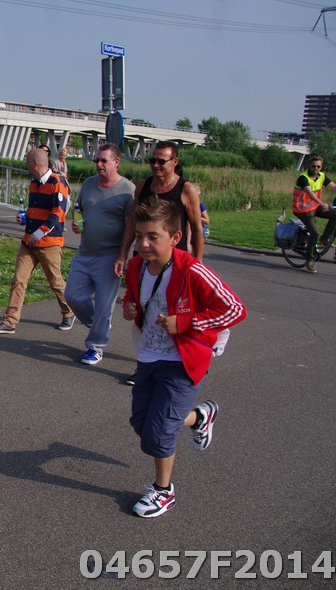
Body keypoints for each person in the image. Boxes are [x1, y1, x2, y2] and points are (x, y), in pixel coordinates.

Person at [121, 195, 246, 518]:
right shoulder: (136, 266)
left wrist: (186, 322)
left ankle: (163, 492)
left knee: (160, 432)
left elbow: (235, 309)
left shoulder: (193, 271)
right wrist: (130, 307)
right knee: (141, 424)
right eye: (139, 236)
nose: (143, 244)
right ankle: (199, 417)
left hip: (184, 361)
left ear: (175, 237)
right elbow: (134, 296)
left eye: (153, 237)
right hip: (149, 357)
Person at [0, 147, 74, 334]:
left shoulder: (58, 183)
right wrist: (26, 217)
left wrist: (40, 233)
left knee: (55, 282)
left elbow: (58, 213)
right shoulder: (34, 183)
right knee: (18, 280)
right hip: (28, 242)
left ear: (35, 164)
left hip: (49, 243)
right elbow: (34, 209)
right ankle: (10, 321)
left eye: (27, 163)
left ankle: (69, 312)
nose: (25, 166)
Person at [66, 143, 135, 366]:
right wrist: (77, 223)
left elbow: (130, 227)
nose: (99, 164)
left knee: (104, 306)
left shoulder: (128, 190)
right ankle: (99, 325)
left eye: (104, 160)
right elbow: (78, 209)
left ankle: (95, 346)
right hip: (85, 253)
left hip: (110, 256)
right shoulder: (89, 184)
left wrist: (122, 256)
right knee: (72, 296)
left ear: (117, 162)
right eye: (97, 160)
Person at [116, 141, 204, 277]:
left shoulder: (186, 189)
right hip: (144, 256)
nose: (156, 165)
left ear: (175, 162)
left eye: (161, 161)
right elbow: (133, 222)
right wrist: (123, 254)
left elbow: (197, 228)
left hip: (174, 258)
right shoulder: (143, 186)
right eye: (153, 161)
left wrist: (197, 263)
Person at [292, 156, 336, 273]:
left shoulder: (322, 176)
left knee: (335, 215)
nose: (316, 168)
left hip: (314, 206)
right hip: (302, 209)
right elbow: (309, 192)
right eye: (314, 166)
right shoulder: (303, 178)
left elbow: (334, 187)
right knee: (314, 232)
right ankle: (310, 260)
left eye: (318, 166)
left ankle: (324, 238)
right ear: (309, 166)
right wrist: (321, 203)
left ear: (321, 167)